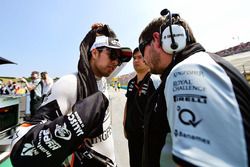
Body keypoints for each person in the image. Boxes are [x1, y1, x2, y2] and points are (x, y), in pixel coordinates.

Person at [138, 8, 250, 167]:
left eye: (142, 49)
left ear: (157, 39)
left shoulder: (185, 71)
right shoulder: (194, 67)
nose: (143, 58)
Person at [10, 23, 132, 167]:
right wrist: (72, 127)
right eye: (112, 55)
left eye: (119, 58)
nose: (116, 62)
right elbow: (21, 140)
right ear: (94, 52)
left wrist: (104, 32)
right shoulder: (70, 83)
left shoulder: (104, 79)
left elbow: (125, 59)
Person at [123, 47, 160, 167]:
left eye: (140, 57)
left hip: (147, 138)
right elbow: (128, 103)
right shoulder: (131, 83)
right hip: (132, 135)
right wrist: (124, 124)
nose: (136, 60)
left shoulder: (155, 81)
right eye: (134, 58)